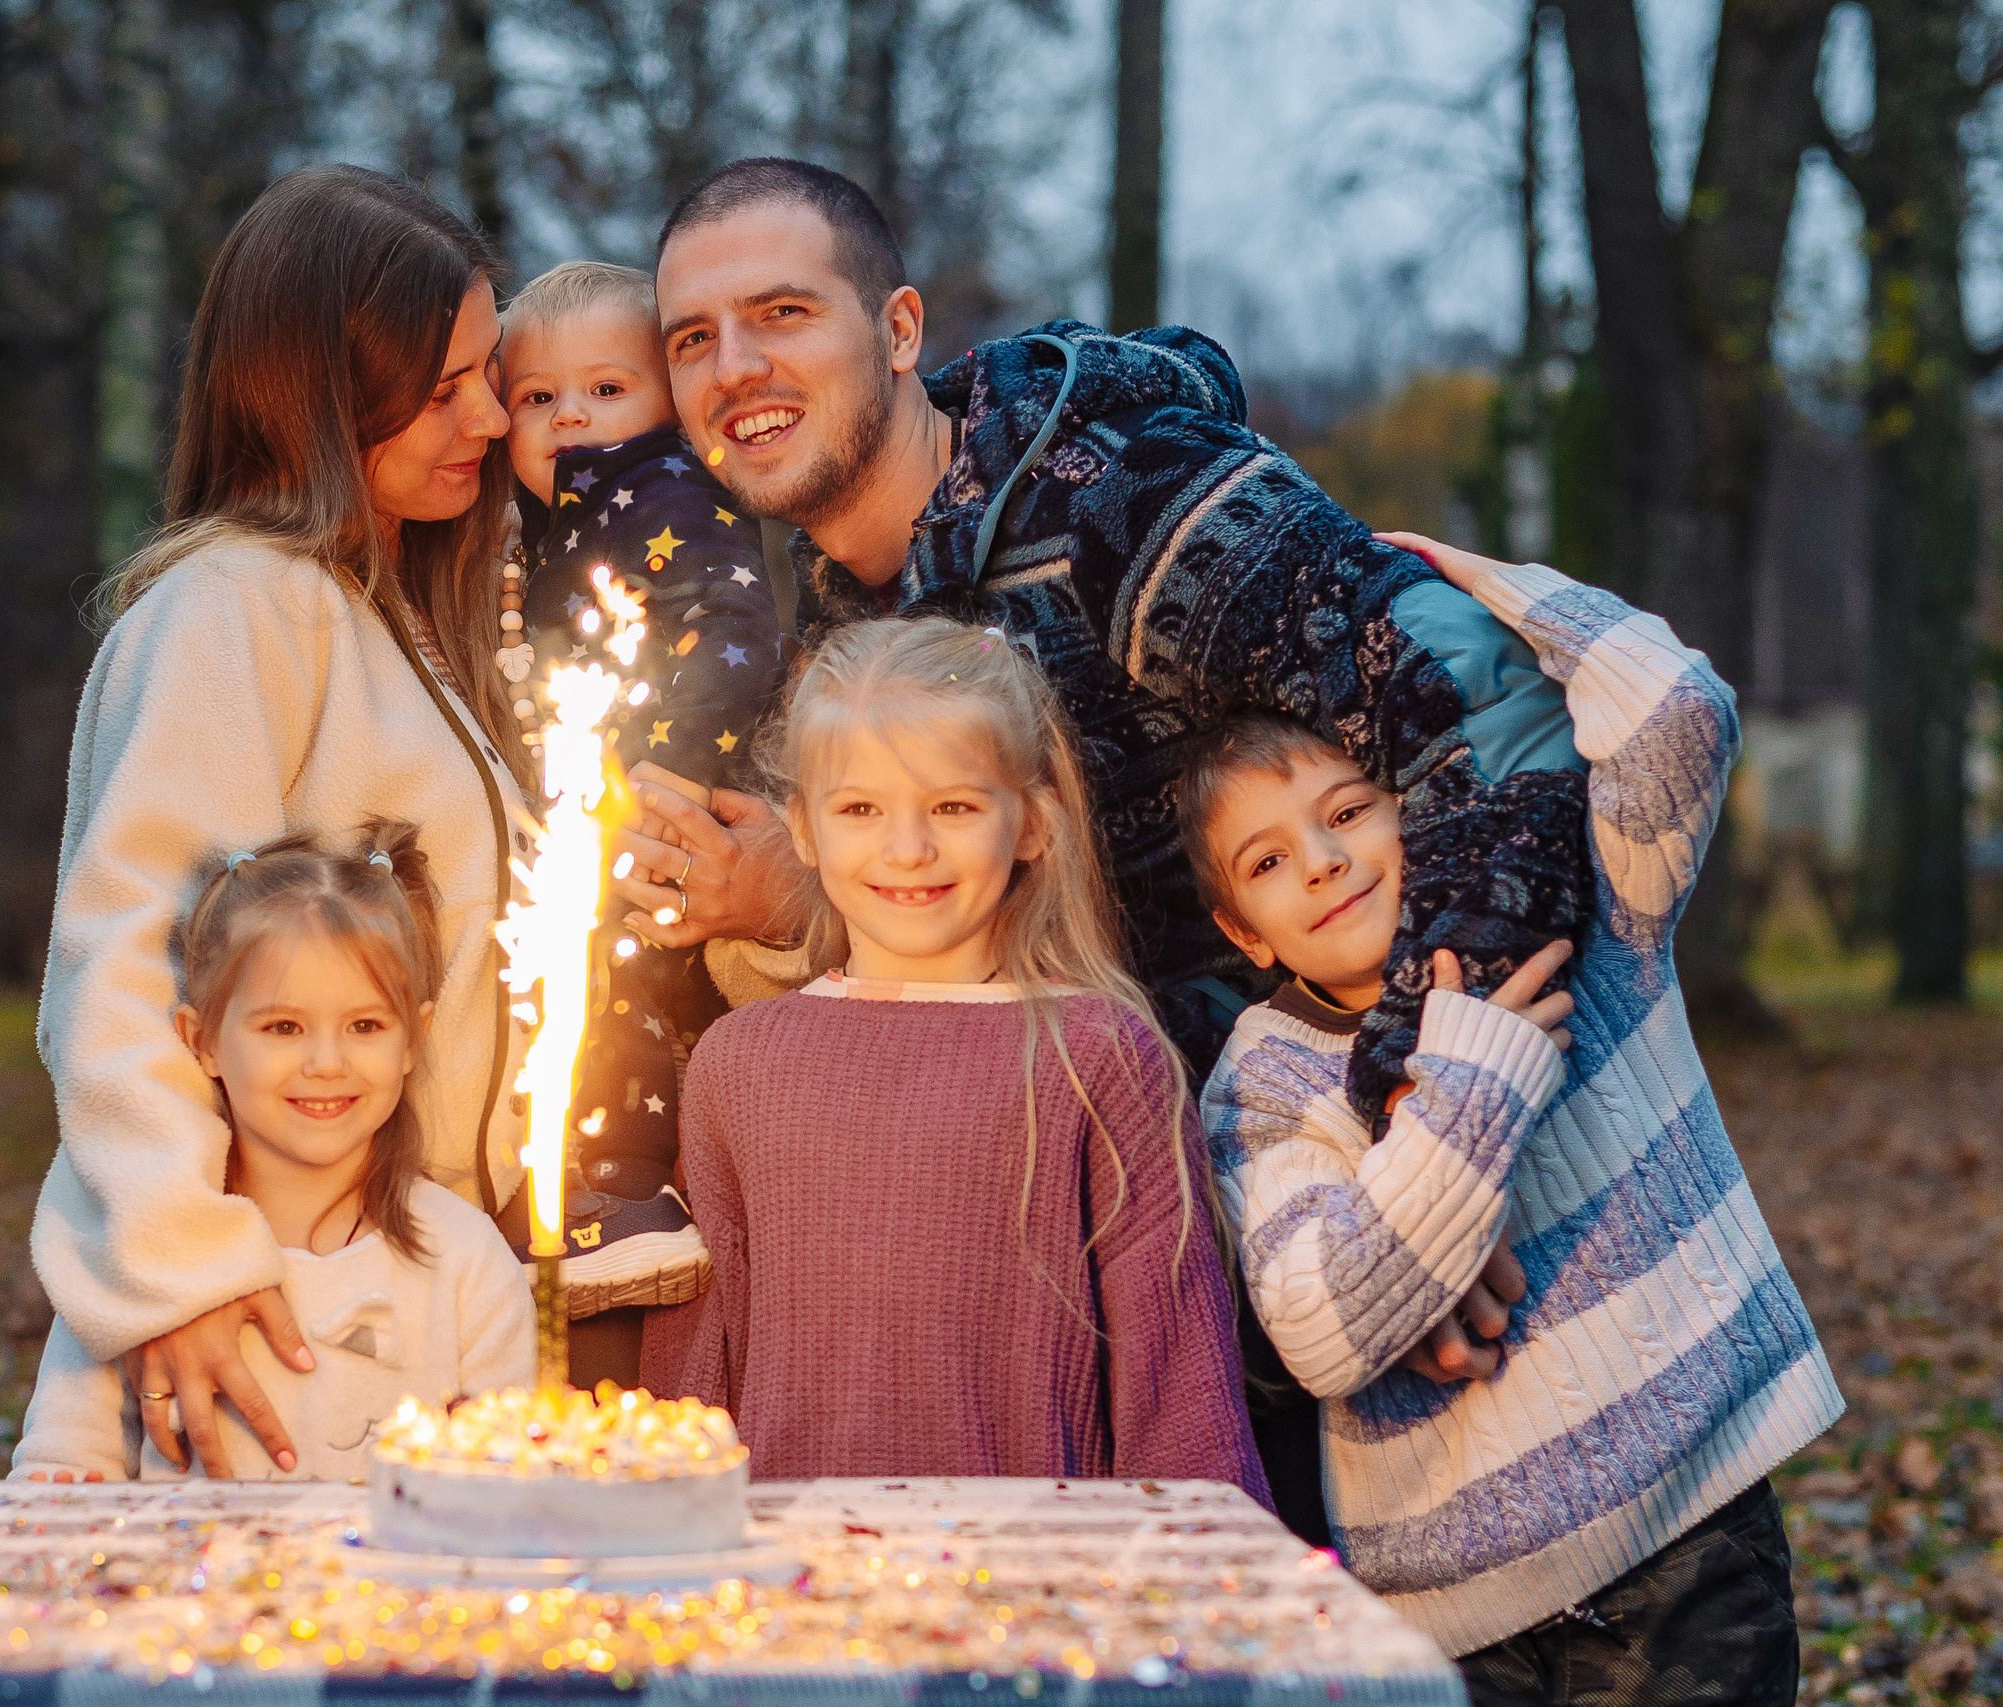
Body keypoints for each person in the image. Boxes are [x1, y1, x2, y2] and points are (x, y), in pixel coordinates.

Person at [616, 156, 1595, 1543]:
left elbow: (1482, 716)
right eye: (691, 338)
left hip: (1422, 1247)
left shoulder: (1122, 507)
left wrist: (1417, 1123)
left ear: (897, 332)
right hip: (1182, 1278)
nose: (733, 367)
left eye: (781, 312)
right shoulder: (836, 623)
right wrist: (793, 904)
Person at [1190, 534, 1841, 1703]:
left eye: (1350, 809)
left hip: (1686, 1536)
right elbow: (1326, 1325)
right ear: (1245, 933)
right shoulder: (1261, 1082)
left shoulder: (1578, 903)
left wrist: (1473, 589)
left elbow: (1677, 711)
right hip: (1458, 1615)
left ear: (1416, 799)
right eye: (1271, 860)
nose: (1327, 862)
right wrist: (1476, 1067)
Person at [29, 164, 537, 1480]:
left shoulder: (397, 614)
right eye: (444, 389)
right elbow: (133, 950)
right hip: (270, 1323)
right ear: (320, 398)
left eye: (489, 368)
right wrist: (180, 1264)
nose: (491, 412)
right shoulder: (237, 612)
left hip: (418, 1285)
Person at [640, 616, 1268, 1498]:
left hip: (1035, 1601)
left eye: (954, 806)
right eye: (860, 808)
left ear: (1034, 824)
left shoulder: (1099, 1055)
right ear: (805, 830)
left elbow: (1179, 1396)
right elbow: (694, 1378)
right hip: (796, 1600)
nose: (908, 849)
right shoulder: (737, 1065)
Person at [14, 829, 534, 1482]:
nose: (326, 1062)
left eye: (366, 1025)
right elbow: (62, 1468)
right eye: (283, 1027)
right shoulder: (146, 1254)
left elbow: (510, 1494)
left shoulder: (464, 1261)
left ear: (414, 1038)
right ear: (200, 1040)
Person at [483, 260, 789, 1320]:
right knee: (601, 983)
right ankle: (596, 1182)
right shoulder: (563, 519)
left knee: (612, 979)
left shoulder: (655, 491)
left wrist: (652, 776)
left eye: (607, 389)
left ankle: (621, 1193)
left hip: (662, 801)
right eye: (537, 397)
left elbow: (734, 629)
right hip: (605, 802)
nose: (571, 415)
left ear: (666, 403)